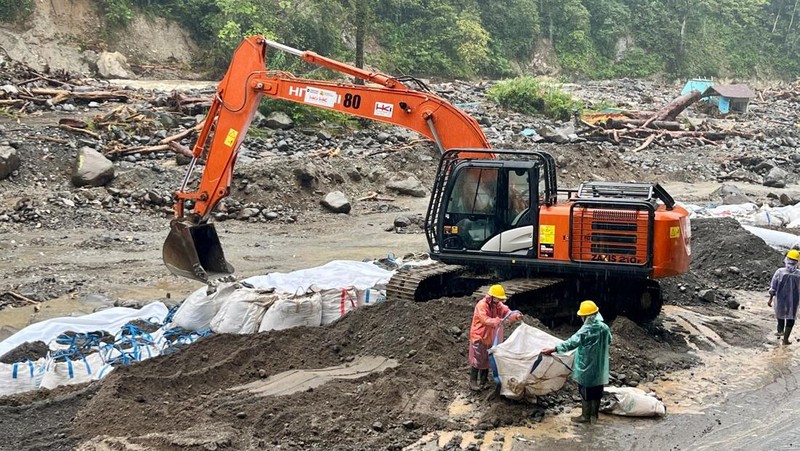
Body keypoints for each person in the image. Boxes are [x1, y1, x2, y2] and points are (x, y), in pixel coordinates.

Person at [542, 300, 612, 424]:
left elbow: (571, 343)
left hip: (586, 366)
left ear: (586, 316)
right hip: (599, 366)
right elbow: (609, 340)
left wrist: (554, 349)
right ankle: (594, 415)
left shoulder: (585, 331)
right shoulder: (604, 328)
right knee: (597, 390)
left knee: (585, 390)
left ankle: (585, 416)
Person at [468, 284, 521, 391]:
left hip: (490, 337)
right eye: (498, 299)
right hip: (480, 336)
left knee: (488, 359)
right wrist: (499, 321)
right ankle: (473, 381)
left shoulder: (497, 305)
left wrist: (515, 316)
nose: (499, 301)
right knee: (478, 359)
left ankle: (484, 380)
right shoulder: (482, 305)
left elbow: (506, 311)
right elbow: (485, 320)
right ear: (492, 297)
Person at [768, 249, 800, 345]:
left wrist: (770, 299)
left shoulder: (780, 272)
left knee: (780, 314)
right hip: (794, 300)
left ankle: (780, 330)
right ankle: (785, 340)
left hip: (780, 298)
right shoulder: (798, 274)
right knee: (791, 318)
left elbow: (773, 287)